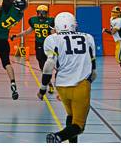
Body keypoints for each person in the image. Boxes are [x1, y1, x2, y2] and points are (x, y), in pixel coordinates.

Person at [40, 12, 96, 143]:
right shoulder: (87, 37)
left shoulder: (52, 39)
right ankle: (58, 137)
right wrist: (89, 82)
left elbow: (49, 65)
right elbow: (93, 71)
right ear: (73, 24)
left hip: (62, 86)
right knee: (79, 125)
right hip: (81, 85)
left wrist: (43, 88)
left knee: (70, 116)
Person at [12, 5, 55, 92]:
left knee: (51, 65)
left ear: (46, 13)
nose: (41, 15)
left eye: (43, 13)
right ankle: (49, 83)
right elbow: (27, 31)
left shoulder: (50, 21)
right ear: (37, 13)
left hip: (49, 45)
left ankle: (52, 83)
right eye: (40, 12)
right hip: (39, 45)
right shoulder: (34, 21)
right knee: (43, 67)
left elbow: (54, 34)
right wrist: (16, 35)